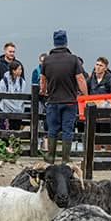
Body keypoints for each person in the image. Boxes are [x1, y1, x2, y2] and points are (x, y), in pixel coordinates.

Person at [40, 29, 87, 164]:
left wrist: (43, 91)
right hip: (70, 101)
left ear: (54, 42)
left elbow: (43, 80)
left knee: (52, 129)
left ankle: (51, 156)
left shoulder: (47, 60)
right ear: (66, 42)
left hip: (53, 100)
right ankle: (65, 159)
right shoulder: (73, 59)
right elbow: (80, 79)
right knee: (68, 130)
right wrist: (86, 95)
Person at [87, 56, 111, 151]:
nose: (98, 67)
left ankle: (108, 155)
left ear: (105, 68)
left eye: (101, 65)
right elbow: (86, 94)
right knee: (94, 135)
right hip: (93, 113)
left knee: (106, 136)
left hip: (105, 113)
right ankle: (95, 154)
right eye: (97, 65)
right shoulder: (89, 80)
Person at [0, 61, 26, 131]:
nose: (21, 71)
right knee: (5, 131)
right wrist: (13, 107)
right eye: (19, 69)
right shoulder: (3, 82)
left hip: (18, 111)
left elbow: (22, 97)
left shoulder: (22, 82)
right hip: (6, 110)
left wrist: (18, 108)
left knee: (16, 132)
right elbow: (3, 97)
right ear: (13, 71)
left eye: (21, 69)